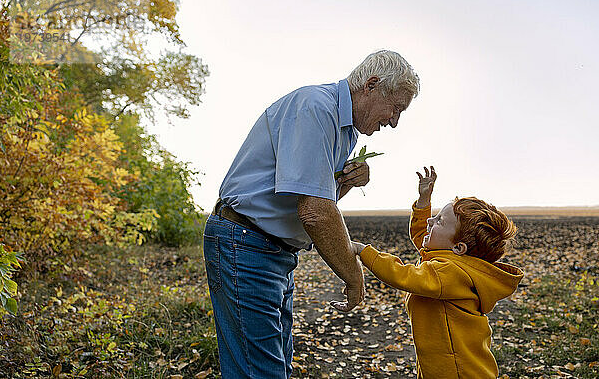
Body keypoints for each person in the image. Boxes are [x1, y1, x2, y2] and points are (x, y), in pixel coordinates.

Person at [202, 50, 420, 379]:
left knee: (274, 364)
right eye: (397, 108)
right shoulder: (316, 108)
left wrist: (348, 181)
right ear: (372, 86)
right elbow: (314, 212)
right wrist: (353, 275)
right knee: (260, 371)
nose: (394, 121)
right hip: (245, 244)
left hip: (272, 251)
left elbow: (315, 198)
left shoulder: (346, 130)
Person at [351, 166, 524, 378]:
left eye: (440, 221)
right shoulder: (452, 260)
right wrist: (424, 201)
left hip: (458, 371)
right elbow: (424, 235)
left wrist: (364, 251)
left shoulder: (451, 272)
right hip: (444, 365)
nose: (431, 221)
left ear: (459, 248)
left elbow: (402, 275)